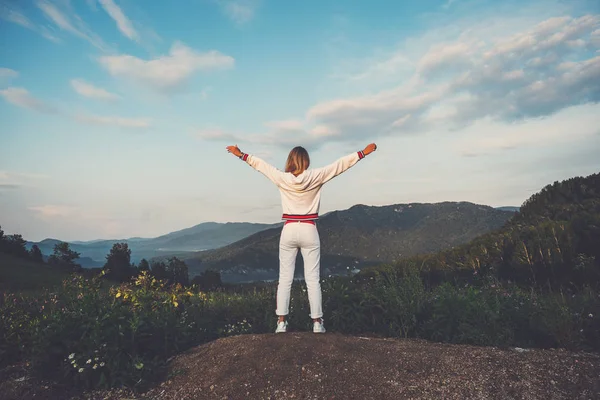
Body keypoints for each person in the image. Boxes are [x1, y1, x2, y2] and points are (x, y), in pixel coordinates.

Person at [226, 143, 377, 333]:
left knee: (285, 279)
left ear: (290, 161)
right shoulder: (316, 176)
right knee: (312, 280)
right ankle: (317, 323)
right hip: (309, 229)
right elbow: (340, 165)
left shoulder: (282, 178)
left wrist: (241, 155)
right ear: (306, 161)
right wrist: (362, 153)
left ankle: (281, 322)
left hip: (289, 230)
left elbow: (261, 166)